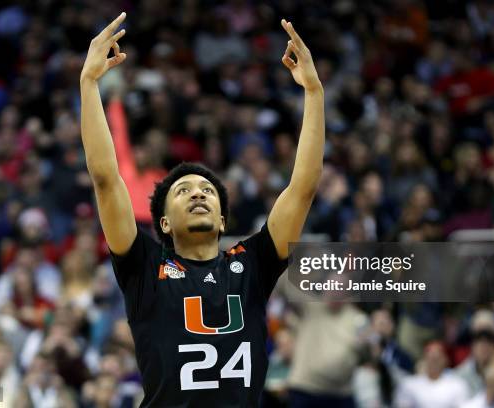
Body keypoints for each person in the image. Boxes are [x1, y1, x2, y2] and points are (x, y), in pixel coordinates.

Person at [79, 11, 324, 407]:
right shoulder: (144, 267)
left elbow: (303, 187)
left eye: (208, 190)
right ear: (163, 222)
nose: (198, 194)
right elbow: (106, 180)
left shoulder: (253, 265)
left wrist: (314, 94)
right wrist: (89, 85)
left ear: (223, 219)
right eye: (184, 192)